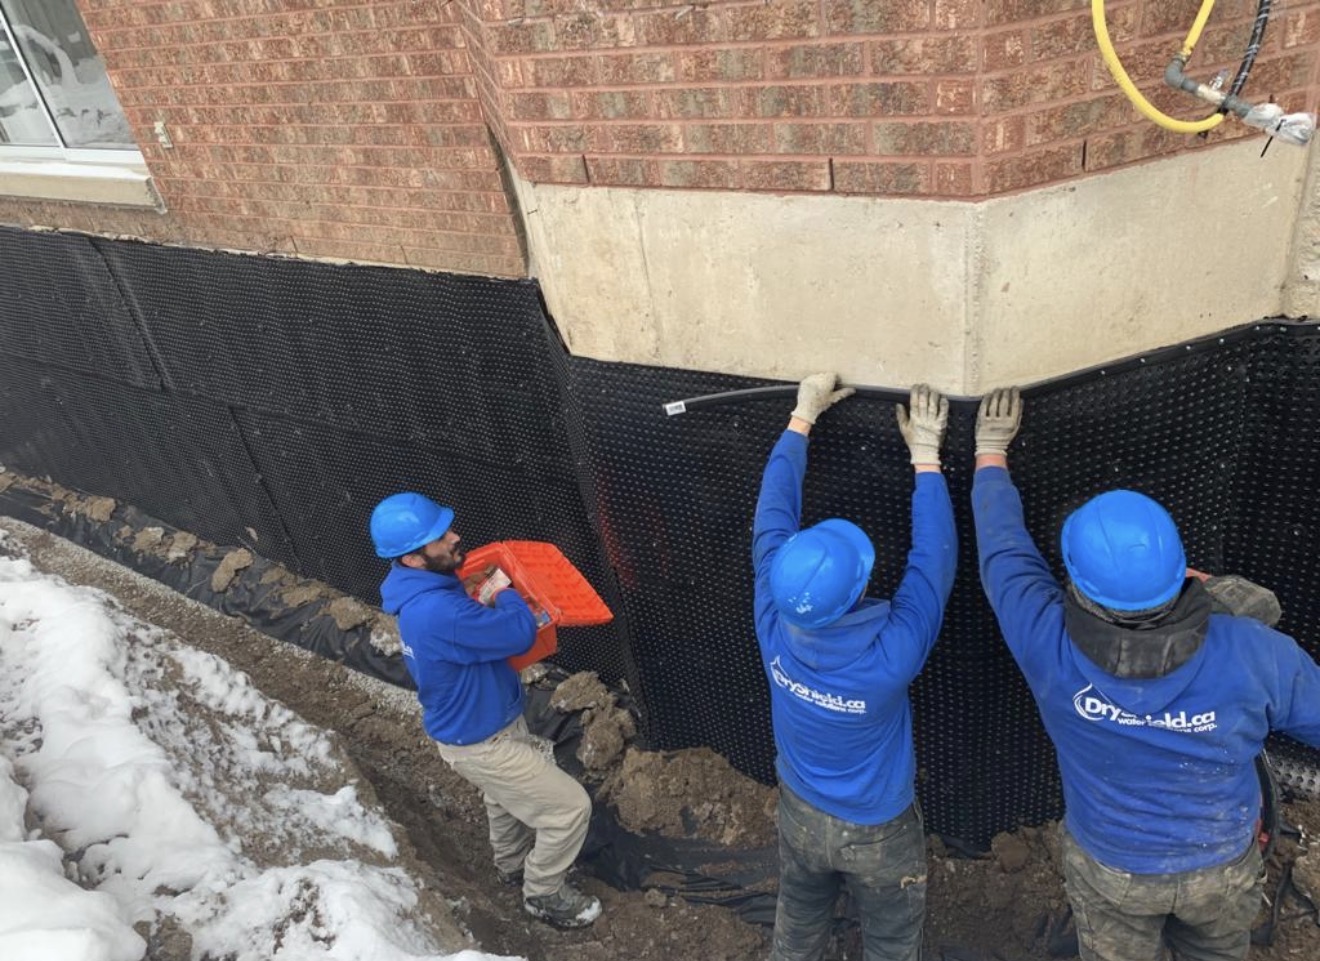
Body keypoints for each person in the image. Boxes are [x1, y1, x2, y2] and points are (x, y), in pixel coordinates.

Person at [971, 387, 1320, 961]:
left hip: (1115, 870)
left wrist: (990, 454)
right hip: (1222, 864)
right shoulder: (1257, 653)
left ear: (1078, 585)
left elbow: (1004, 555)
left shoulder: (1046, 641)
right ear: (1182, 568)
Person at [753, 374, 958, 961]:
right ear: (860, 590)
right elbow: (933, 563)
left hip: (797, 808)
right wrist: (926, 455)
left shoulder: (772, 612)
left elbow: (772, 515)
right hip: (879, 830)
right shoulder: (889, 656)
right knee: (892, 941)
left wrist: (801, 417)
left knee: (797, 920)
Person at [369, 492, 600, 929]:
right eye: (440, 537)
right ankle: (543, 893)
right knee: (569, 808)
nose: (455, 536)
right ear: (414, 559)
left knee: (503, 799)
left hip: (476, 727)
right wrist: (507, 592)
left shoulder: (422, 589)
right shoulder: (438, 611)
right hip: (481, 742)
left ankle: (511, 866)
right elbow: (516, 635)